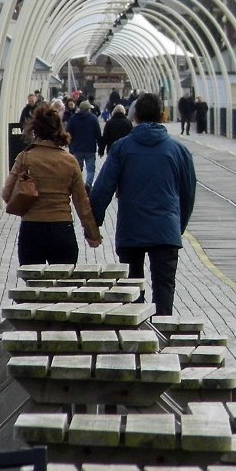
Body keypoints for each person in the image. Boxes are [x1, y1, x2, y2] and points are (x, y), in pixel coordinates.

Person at [91, 93, 196, 317]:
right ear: (162, 116)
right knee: (164, 288)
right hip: (166, 231)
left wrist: (94, 224)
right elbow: (188, 195)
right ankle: (162, 338)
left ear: (135, 117)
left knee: (131, 291)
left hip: (131, 230)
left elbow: (103, 189)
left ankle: (136, 340)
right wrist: (178, 227)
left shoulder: (121, 148)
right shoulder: (179, 151)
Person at [1, 104, 103, 265]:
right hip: (62, 231)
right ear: (59, 130)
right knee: (62, 286)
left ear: (34, 130)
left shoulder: (24, 158)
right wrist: (93, 234)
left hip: (31, 231)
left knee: (33, 287)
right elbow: (82, 204)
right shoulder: (69, 161)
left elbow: (7, 194)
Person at [66, 100, 102, 186]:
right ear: (88, 109)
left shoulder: (73, 118)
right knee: (90, 170)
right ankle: (88, 185)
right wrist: (101, 148)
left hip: (77, 148)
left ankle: (78, 186)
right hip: (90, 148)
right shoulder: (93, 118)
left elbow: (68, 132)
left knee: (77, 169)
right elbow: (98, 134)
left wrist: (70, 147)